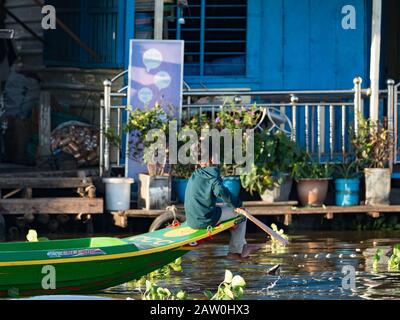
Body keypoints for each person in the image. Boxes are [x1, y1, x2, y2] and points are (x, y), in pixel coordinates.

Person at [184, 146, 261, 260]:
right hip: (205, 219)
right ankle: (235, 252)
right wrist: (238, 204)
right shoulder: (212, 176)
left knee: (229, 208)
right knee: (242, 213)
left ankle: (243, 246)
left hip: (191, 219)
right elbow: (222, 192)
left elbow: (203, 198)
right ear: (211, 159)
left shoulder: (196, 174)